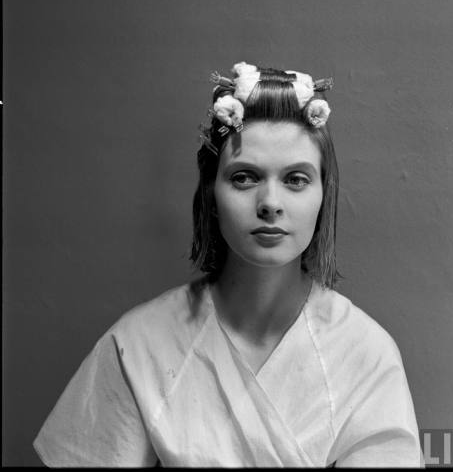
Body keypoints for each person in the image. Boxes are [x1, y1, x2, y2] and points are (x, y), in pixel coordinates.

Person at [33, 62, 424, 467]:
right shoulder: (139, 345)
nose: (270, 203)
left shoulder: (364, 354)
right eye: (244, 178)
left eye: (295, 179)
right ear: (211, 197)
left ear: (324, 196)